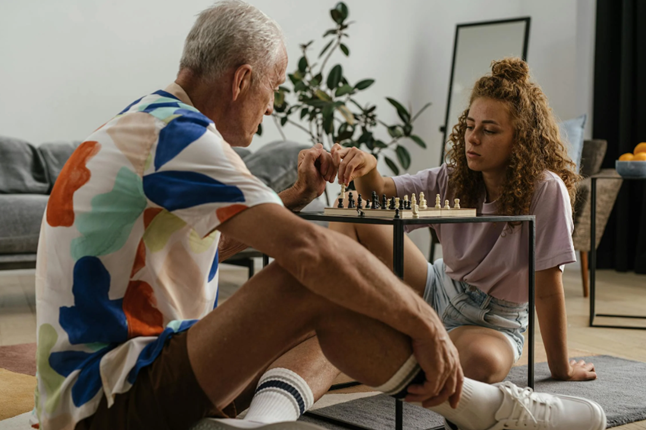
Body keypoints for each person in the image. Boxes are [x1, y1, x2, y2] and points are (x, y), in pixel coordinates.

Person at [32, 2, 606, 429]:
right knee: (315, 278)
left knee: (327, 286)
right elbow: (310, 251)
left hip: (101, 383)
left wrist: (296, 199)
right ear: (242, 80)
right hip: (108, 400)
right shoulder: (180, 136)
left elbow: (207, 247)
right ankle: (490, 410)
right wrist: (424, 323)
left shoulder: (147, 121)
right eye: (273, 89)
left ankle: (262, 419)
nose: (273, 105)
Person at [329, 58, 597, 428]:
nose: (473, 138)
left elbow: (548, 291)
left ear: (521, 139)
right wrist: (369, 167)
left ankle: (383, 345)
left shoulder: (545, 189)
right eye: (470, 126)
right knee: (354, 214)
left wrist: (561, 367)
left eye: (489, 130)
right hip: (435, 288)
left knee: (480, 366)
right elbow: (383, 194)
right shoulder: (453, 177)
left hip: (494, 323)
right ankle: (357, 325)